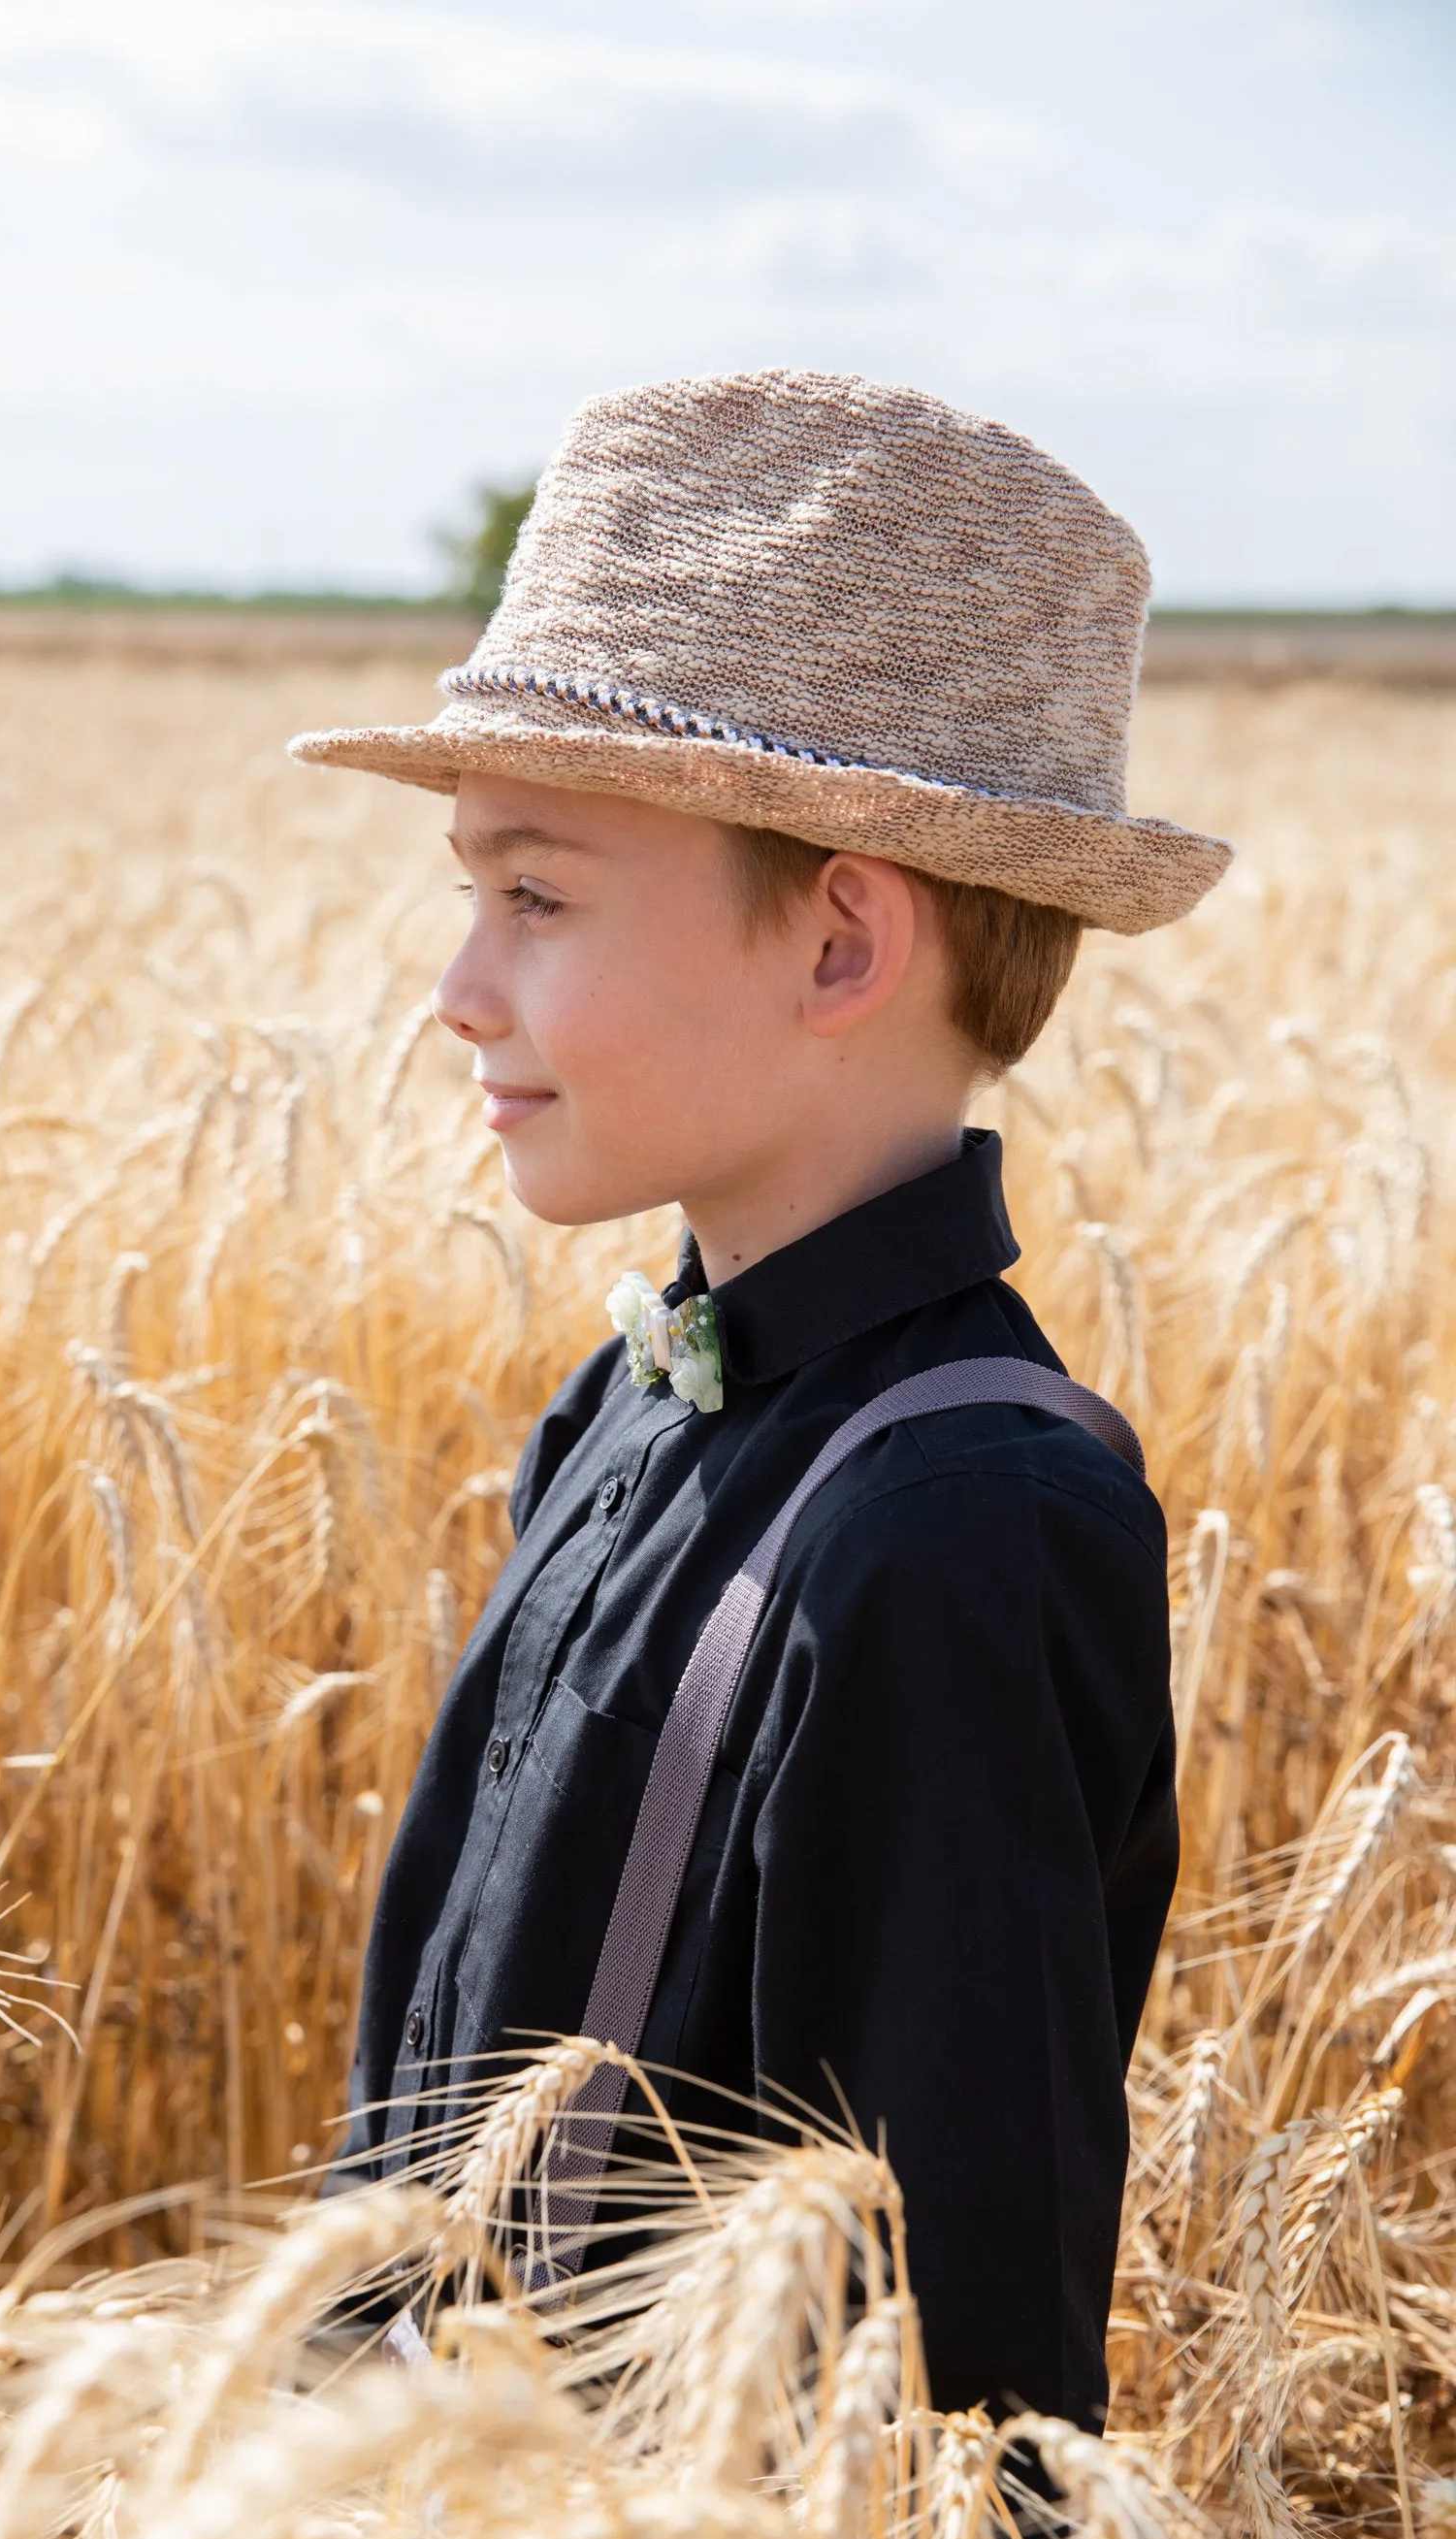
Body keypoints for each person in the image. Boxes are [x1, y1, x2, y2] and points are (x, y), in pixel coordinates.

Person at [288, 371, 1230, 2429]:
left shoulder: (962, 1524)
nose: (458, 983)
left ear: (839, 946)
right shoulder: (623, 1408)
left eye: (534, 896)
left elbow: (961, 2362)